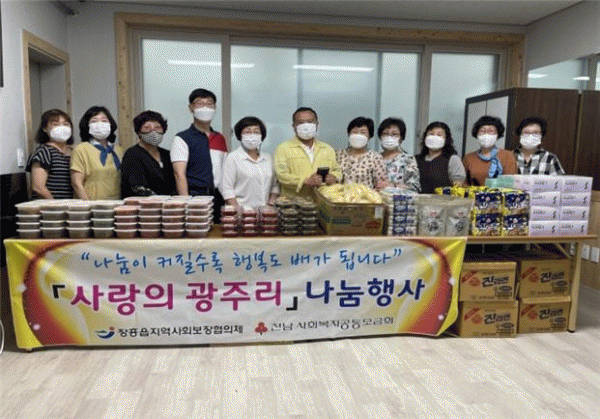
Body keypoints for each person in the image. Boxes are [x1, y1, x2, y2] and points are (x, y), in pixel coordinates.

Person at [170, 88, 228, 216]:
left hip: (218, 198)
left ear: (215, 108)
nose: (205, 108)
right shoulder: (182, 138)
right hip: (194, 198)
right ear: (191, 108)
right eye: (199, 103)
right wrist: (186, 205)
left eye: (209, 104)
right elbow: (179, 174)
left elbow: (224, 173)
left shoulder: (220, 138)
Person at [274, 107, 341, 199]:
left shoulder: (327, 149)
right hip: (293, 203)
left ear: (317, 124)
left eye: (310, 122)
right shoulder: (283, 148)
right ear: (294, 126)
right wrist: (305, 181)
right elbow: (281, 175)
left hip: (322, 201)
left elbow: (337, 171)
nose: (306, 126)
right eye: (301, 122)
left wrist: (334, 177)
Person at [222, 116, 279, 208]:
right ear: (240, 135)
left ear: (262, 136)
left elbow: (275, 185)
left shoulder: (268, 158)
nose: (252, 135)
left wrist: (270, 205)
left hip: (265, 211)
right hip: (242, 211)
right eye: (247, 132)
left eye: (256, 132)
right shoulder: (233, 158)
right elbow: (227, 189)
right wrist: (238, 210)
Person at [71, 106, 124, 200]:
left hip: (117, 203)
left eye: (104, 121)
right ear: (87, 125)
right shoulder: (81, 149)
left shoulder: (119, 150)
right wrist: (89, 205)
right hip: (92, 203)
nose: (100, 124)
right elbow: (76, 183)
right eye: (94, 121)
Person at [120, 110, 176, 198]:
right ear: (139, 132)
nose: (153, 131)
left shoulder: (167, 154)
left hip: (168, 204)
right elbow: (136, 187)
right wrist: (158, 200)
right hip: (142, 204)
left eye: (157, 127)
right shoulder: (132, 154)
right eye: (147, 127)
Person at [26, 109, 74, 199]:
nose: (62, 127)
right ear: (45, 128)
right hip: (50, 205)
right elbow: (38, 187)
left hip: (71, 205)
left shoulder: (75, 152)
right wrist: (55, 204)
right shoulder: (43, 152)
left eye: (66, 124)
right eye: (55, 124)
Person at [463, 115, 518, 186]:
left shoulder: (508, 156)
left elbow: (511, 182)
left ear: (497, 134)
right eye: (482, 131)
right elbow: (464, 183)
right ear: (476, 134)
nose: (486, 134)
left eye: (491, 131)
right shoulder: (468, 158)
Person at [336, 117, 388, 190]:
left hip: (365, 196)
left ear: (369, 136)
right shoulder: (338, 154)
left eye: (363, 132)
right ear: (349, 134)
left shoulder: (375, 157)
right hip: (340, 195)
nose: (358, 135)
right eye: (354, 132)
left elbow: (380, 185)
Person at [415, 122, 466, 193]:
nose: (434, 137)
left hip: (444, 199)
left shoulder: (453, 159)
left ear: (446, 139)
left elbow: (458, 186)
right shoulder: (415, 159)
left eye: (439, 135)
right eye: (431, 134)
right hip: (418, 199)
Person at [378, 117, 420, 192]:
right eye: (385, 134)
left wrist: (391, 186)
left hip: (398, 199)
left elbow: (414, 187)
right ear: (380, 136)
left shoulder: (408, 159)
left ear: (401, 137)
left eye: (394, 134)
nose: (389, 137)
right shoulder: (374, 158)